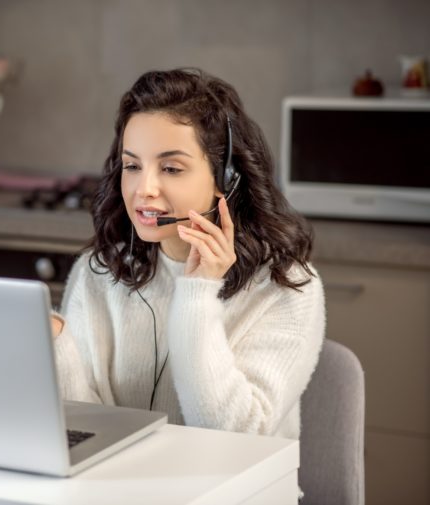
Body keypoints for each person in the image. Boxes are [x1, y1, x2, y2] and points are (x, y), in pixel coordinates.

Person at [51, 68, 325, 444]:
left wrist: (198, 294)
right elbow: (85, 431)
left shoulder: (287, 286)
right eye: (132, 166)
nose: (143, 189)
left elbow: (236, 439)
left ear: (225, 178)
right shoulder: (99, 273)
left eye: (171, 168)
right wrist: (56, 346)